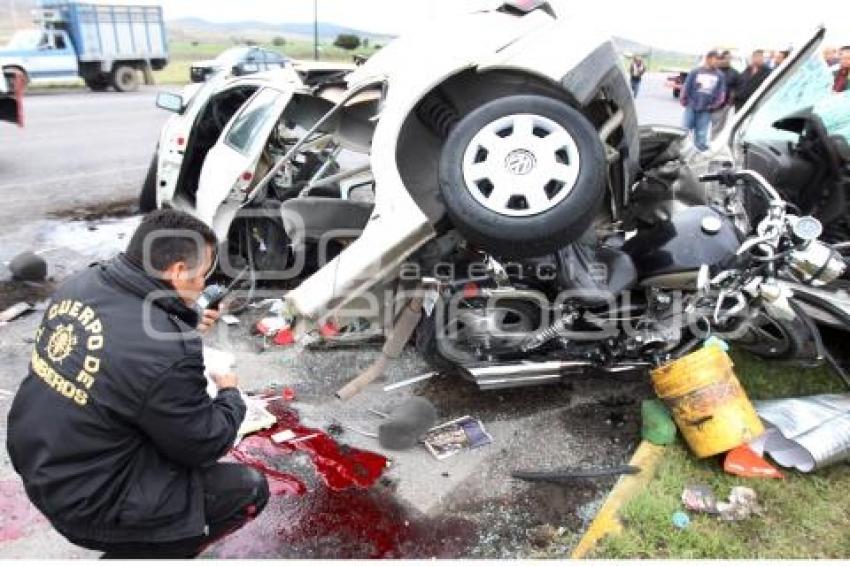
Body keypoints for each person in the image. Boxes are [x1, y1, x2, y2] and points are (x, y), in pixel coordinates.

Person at [6, 210, 269, 559]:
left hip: (41, 460)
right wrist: (230, 395)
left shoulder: (82, 283)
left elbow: (123, 346)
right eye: (204, 274)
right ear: (177, 271)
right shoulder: (165, 349)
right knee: (247, 489)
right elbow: (203, 443)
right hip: (90, 503)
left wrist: (182, 320)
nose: (205, 284)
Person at [680, 50, 726, 151]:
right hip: (691, 107)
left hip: (706, 110)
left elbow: (721, 94)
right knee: (683, 133)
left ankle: (699, 157)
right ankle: (680, 153)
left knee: (701, 137)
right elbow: (686, 86)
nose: (717, 62)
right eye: (716, 59)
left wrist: (714, 105)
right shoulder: (695, 72)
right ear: (708, 59)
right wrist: (683, 99)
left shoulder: (720, 75)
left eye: (719, 60)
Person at [711, 50, 740, 136]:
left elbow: (736, 88)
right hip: (709, 104)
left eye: (729, 58)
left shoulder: (735, 73)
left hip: (723, 106)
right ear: (721, 59)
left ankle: (711, 145)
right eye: (725, 58)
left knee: (717, 128)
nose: (727, 60)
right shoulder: (713, 71)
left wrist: (730, 103)